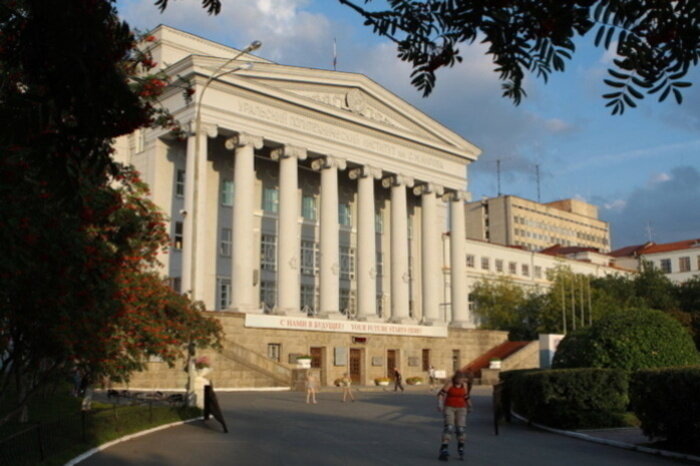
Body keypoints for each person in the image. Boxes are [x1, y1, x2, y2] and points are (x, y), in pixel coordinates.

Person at [436, 371, 470, 461]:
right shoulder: (450, 384)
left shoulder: (464, 385)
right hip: (449, 407)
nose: (461, 381)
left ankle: (461, 447)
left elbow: (466, 396)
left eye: (463, 379)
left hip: (461, 408)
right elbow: (441, 394)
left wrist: (470, 405)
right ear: (456, 379)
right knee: (449, 427)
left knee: (461, 429)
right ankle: (444, 448)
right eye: (460, 379)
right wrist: (440, 404)